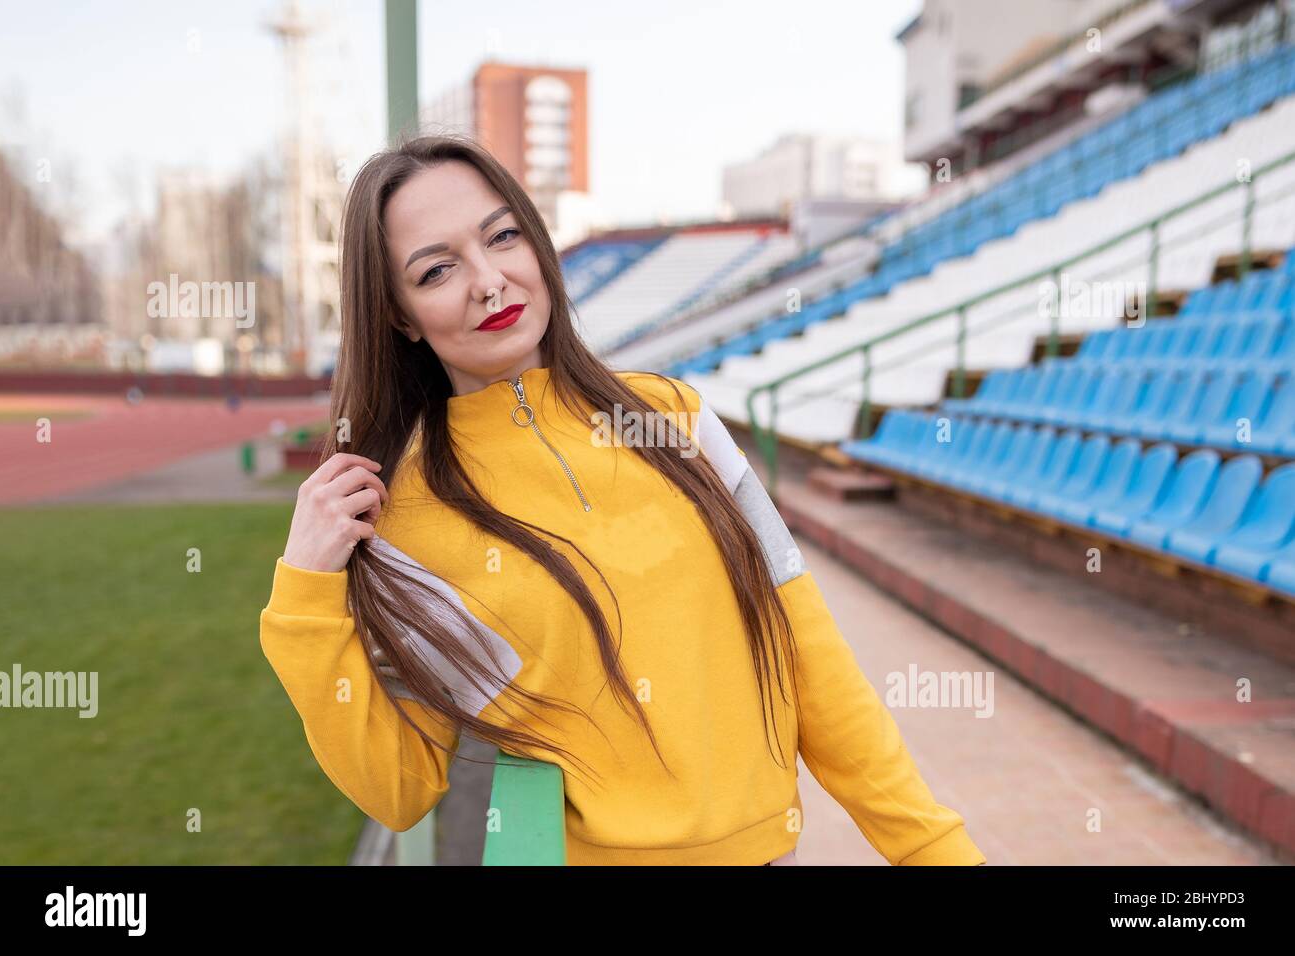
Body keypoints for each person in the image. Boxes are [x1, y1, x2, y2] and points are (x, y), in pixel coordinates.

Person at [258, 132, 987, 867]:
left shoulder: (680, 420)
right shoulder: (407, 521)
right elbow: (400, 786)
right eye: (438, 268)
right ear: (400, 315)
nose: (489, 280)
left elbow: (810, 655)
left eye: (502, 236)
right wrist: (304, 598)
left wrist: (933, 849)